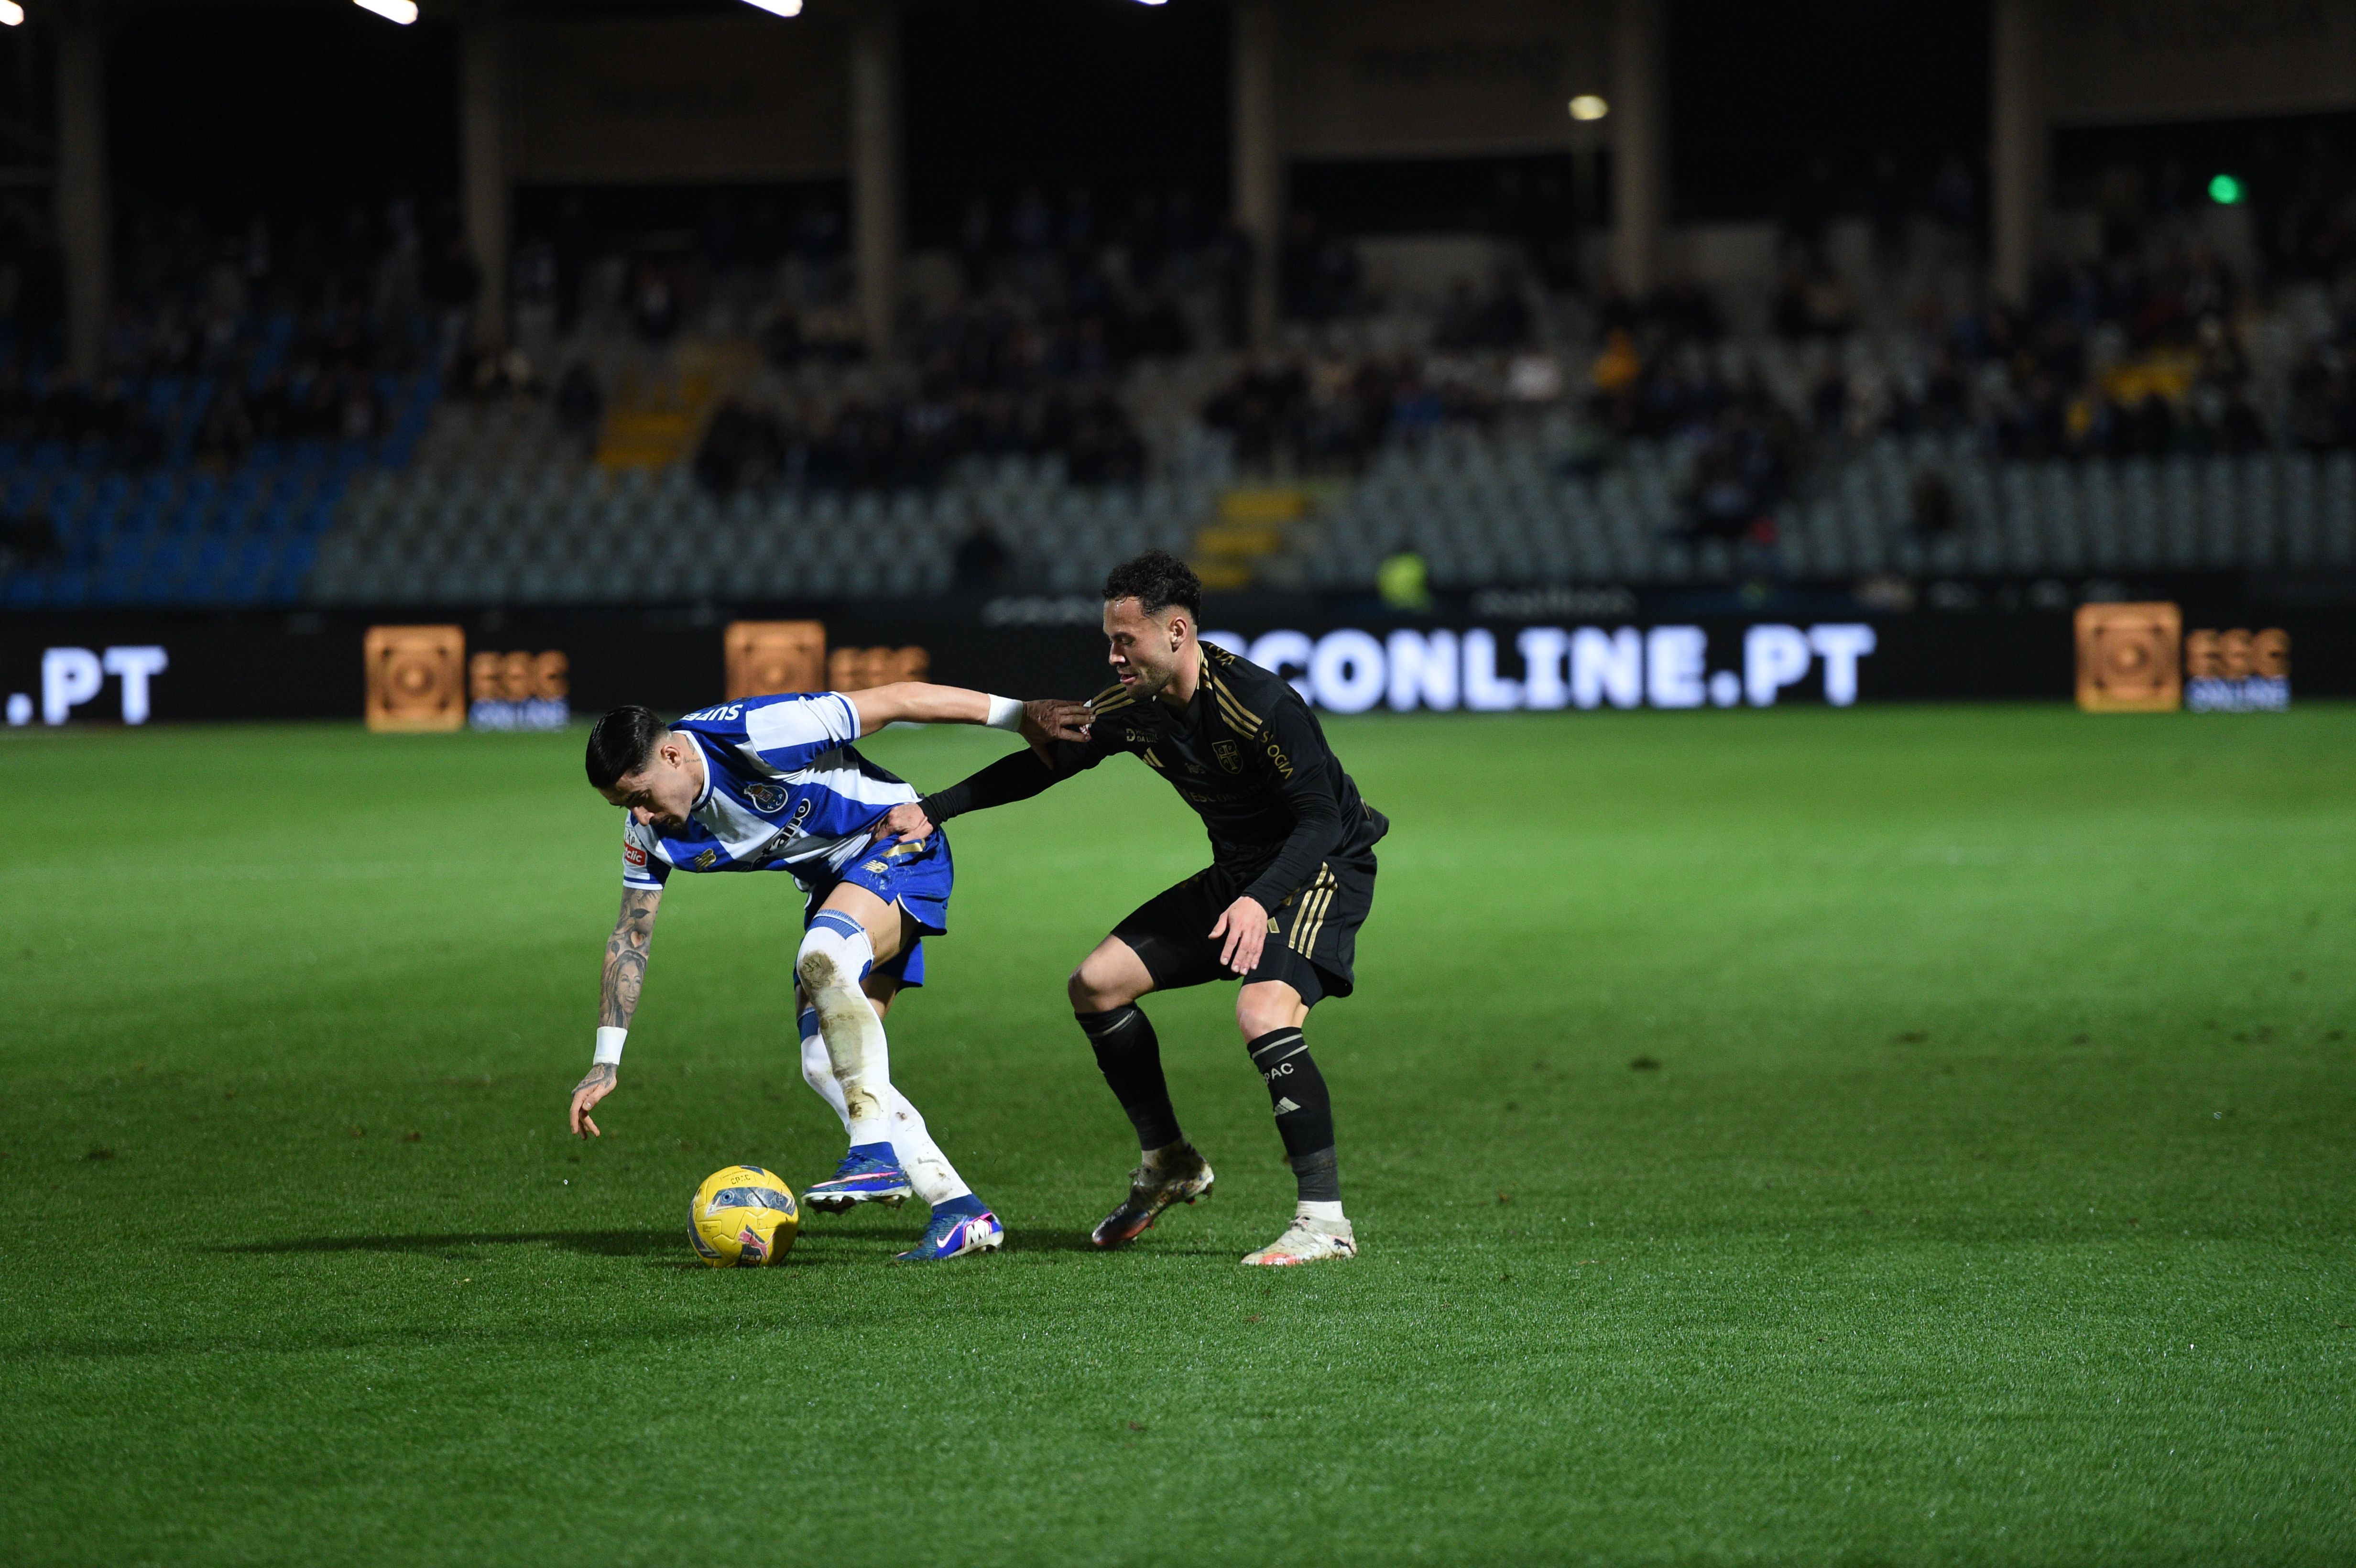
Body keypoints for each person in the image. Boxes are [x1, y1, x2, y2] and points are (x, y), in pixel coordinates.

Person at [875, 551, 1388, 1266]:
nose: (1113, 655)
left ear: (1177, 632)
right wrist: (934, 810)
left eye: (1126, 640)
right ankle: (1170, 1161)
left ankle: (1325, 1223)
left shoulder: (1262, 704)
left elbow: (1322, 822)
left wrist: (1256, 901)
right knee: (1097, 986)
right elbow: (1044, 763)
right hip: (1241, 876)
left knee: (1263, 1012)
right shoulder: (1133, 707)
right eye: (1109, 640)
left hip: (1321, 870)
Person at [571, 683, 1087, 1263]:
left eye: (638, 797)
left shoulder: (756, 733)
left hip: (897, 840)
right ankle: (959, 1210)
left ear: (669, 756)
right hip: (836, 887)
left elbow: (897, 700)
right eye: (624, 808)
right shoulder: (649, 831)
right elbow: (631, 935)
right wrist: (604, 1059)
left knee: (821, 958)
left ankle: (872, 1153)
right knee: (822, 1062)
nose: (638, 816)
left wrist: (1020, 716)